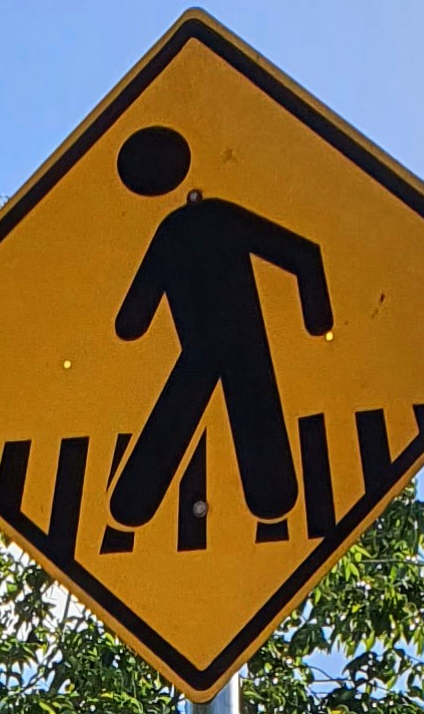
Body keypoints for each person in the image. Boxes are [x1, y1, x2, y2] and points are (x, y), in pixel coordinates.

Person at [107, 122, 334, 534]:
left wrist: (318, 318)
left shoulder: (179, 227)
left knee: (213, 403)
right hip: (226, 343)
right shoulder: (201, 222)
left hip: (213, 345)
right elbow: (301, 255)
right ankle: (134, 506)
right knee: (246, 402)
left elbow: (133, 315)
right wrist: (316, 317)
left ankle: (133, 504)